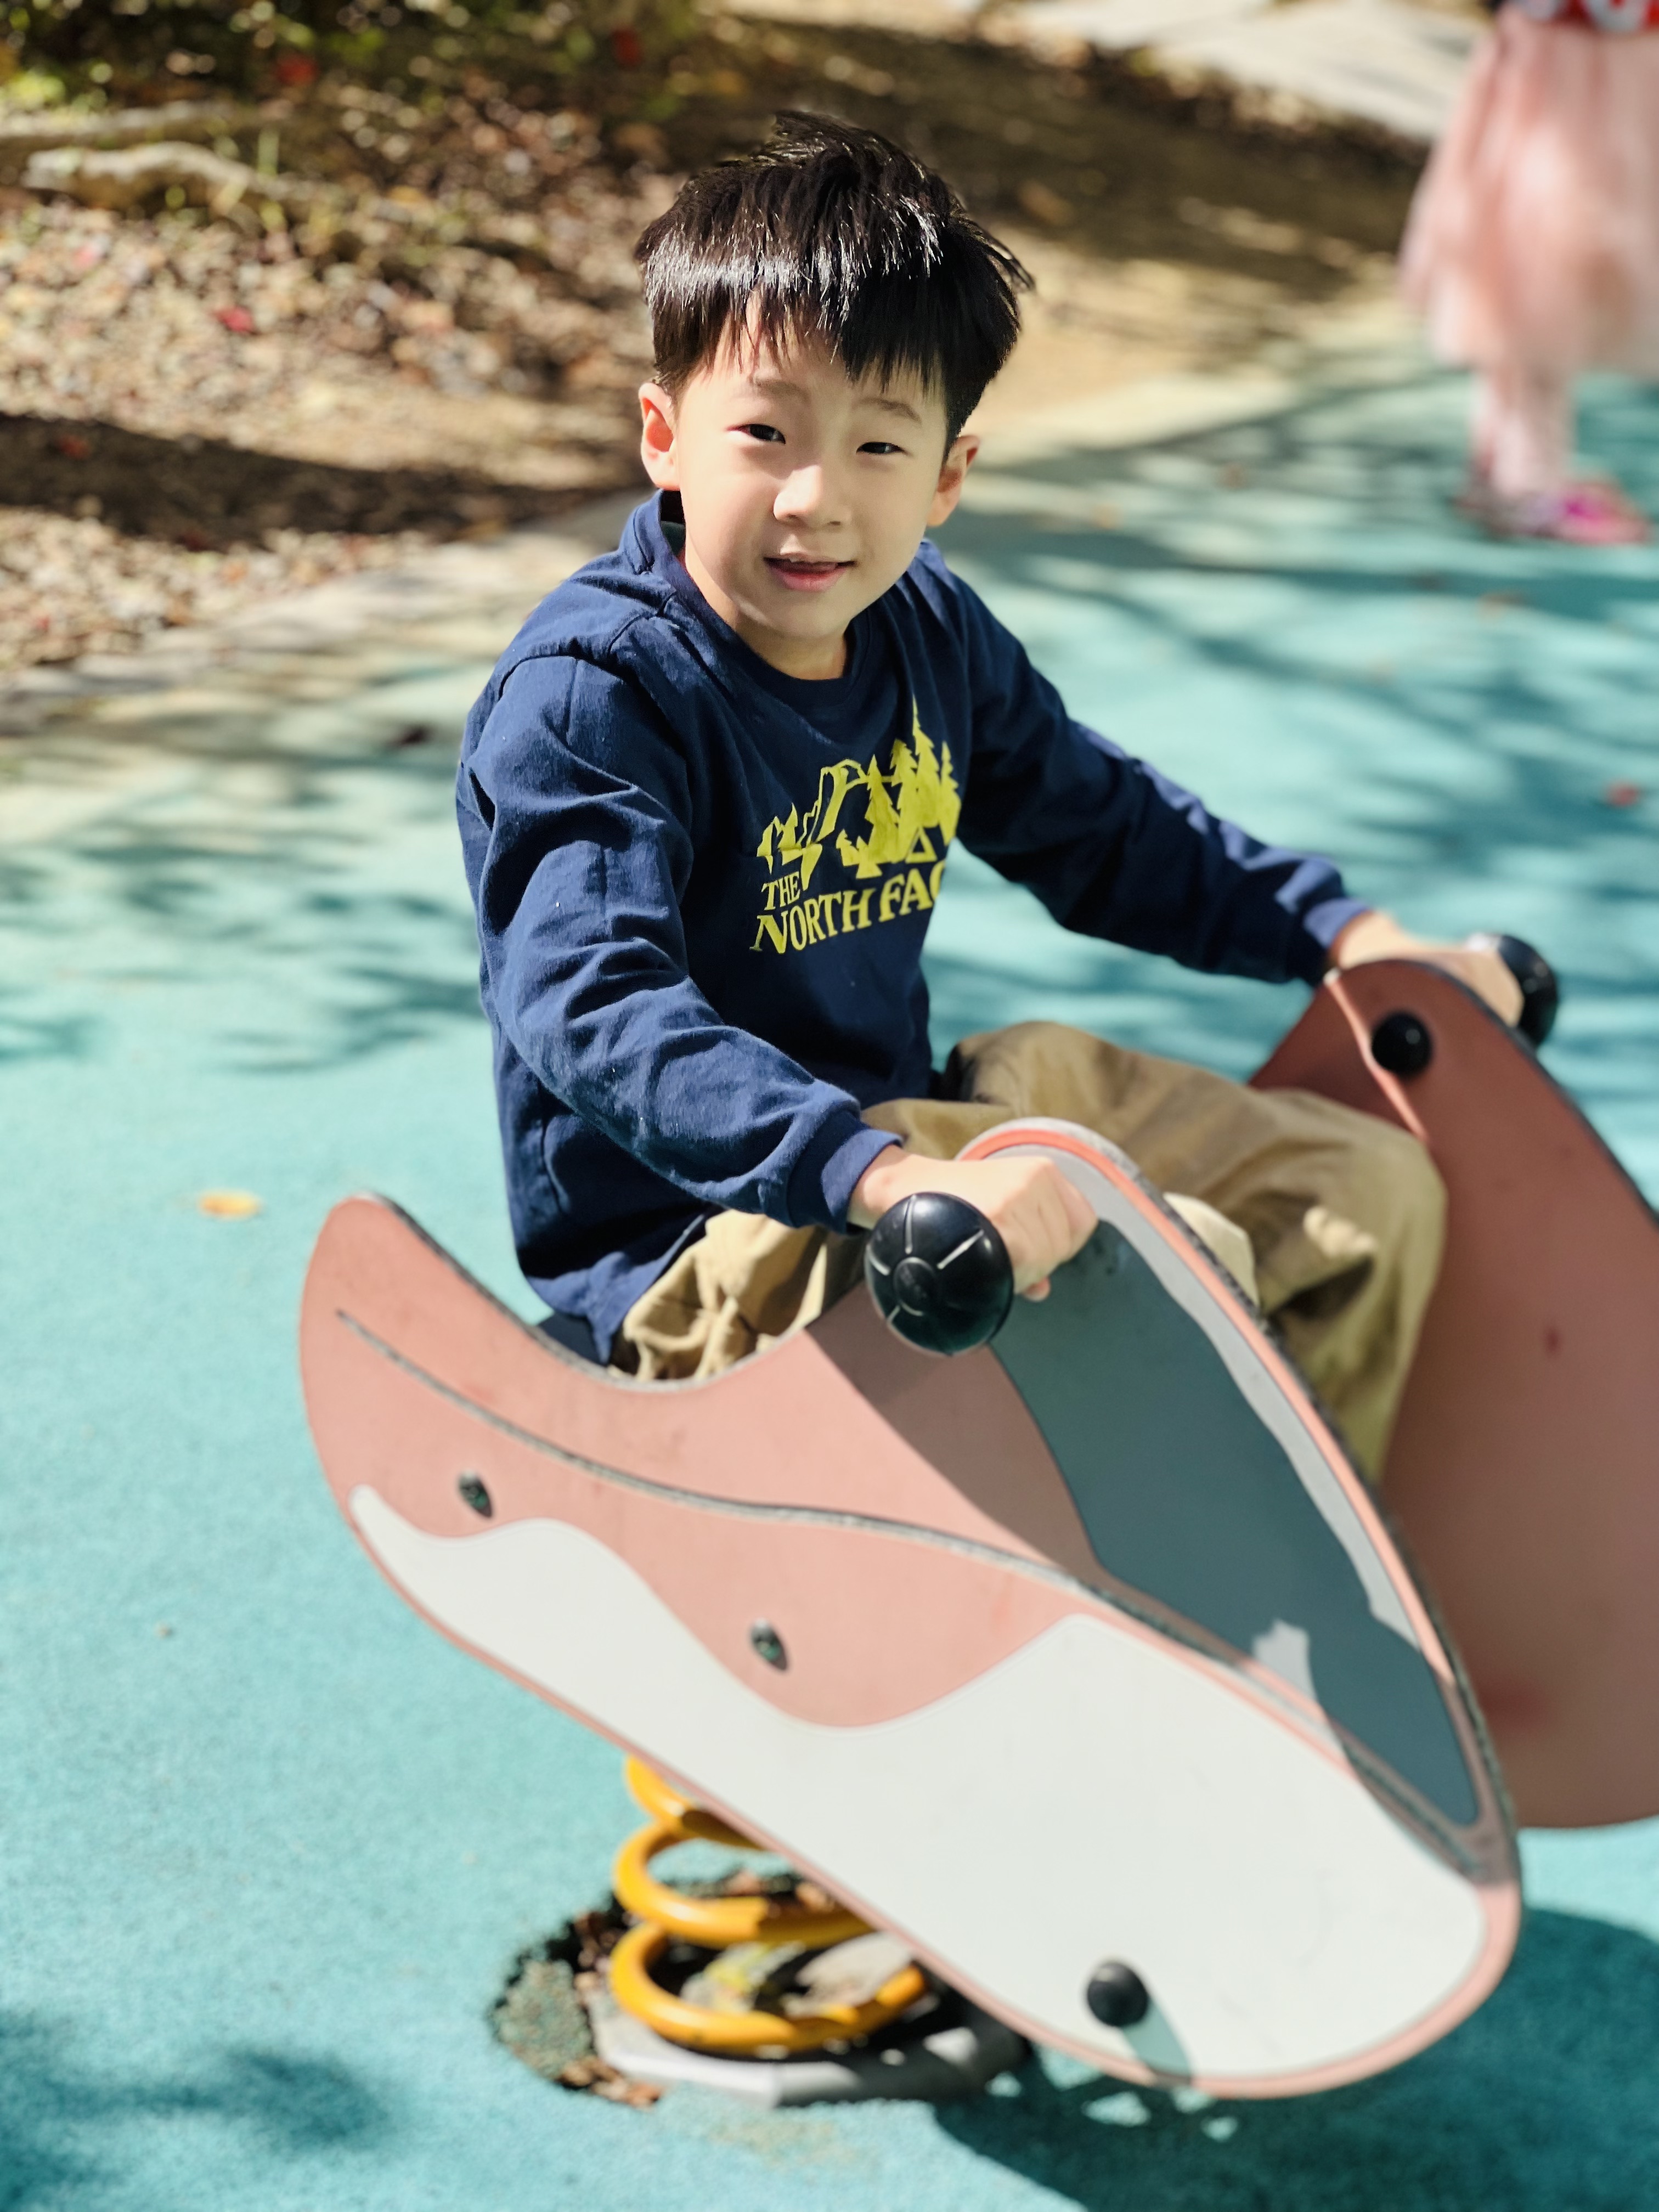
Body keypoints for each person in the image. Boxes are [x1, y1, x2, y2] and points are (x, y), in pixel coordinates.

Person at [459, 115, 1521, 1480]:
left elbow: (1103, 828)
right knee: (1168, 1265)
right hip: (712, 1237)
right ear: (666, 435)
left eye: (879, 448)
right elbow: (593, 1006)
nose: (813, 498)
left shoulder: (924, 630)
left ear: (949, 476)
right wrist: (876, 1174)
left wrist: (1347, 939)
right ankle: (1166, 1557)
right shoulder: (597, 696)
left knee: (1366, 1193)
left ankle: (1306, 1559)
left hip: (907, 1154)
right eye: (764, 432)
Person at [1400, 0, 1659, 544]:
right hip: (1574, 66)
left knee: (1523, 268)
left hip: (1570, 57)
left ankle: (1506, 468)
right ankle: (1529, 481)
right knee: (1544, 270)